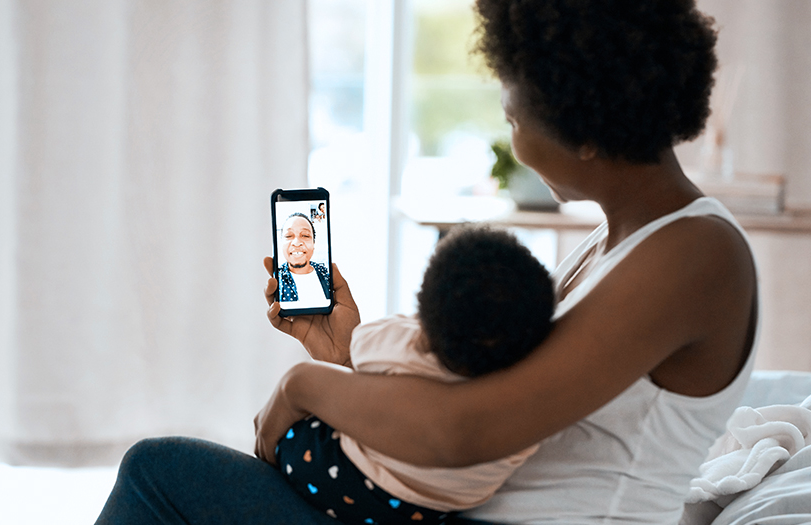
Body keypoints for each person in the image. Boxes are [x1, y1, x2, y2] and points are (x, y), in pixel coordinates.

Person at [95, 1, 759, 523]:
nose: (514, 141)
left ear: (584, 129)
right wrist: (350, 348)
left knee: (158, 473)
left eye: (514, 120)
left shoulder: (695, 255)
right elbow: (491, 396)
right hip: (441, 512)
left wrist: (300, 387)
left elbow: (463, 430)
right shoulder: (618, 240)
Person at [276, 226, 554, 525]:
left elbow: (358, 352)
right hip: (427, 513)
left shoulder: (402, 344)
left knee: (300, 425)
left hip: (339, 477)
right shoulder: (522, 406)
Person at [278, 213, 331, 304]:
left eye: (305, 235)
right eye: (289, 236)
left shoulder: (325, 273)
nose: (296, 243)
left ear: (313, 243)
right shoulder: (276, 280)